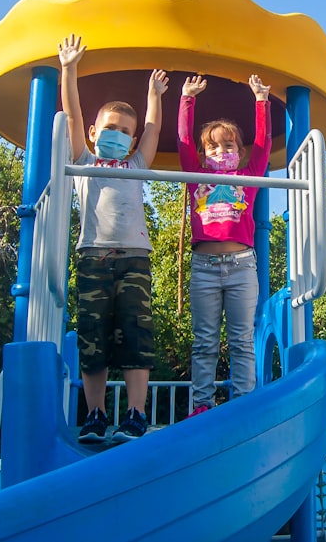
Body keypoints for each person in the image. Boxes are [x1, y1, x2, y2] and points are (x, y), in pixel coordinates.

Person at [57, 34, 169, 443]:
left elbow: (153, 127)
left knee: (136, 333)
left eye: (126, 130)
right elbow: (71, 116)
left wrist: (153, 94)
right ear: (93, 131)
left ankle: (136, 415)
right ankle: (97, 416)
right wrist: (69, 69)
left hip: (135, 257)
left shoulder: (137, 162)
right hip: (94, 256)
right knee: (93, 337)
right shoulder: (84, 160)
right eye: (110, 128)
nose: (118, 134)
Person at [178, 73, 271, 417]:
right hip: (204, 268)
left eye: (228, 145)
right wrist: (187, 99)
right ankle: (202, 404)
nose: (221, 151)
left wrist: (260, 101)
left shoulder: (247, 178)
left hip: (242, 265)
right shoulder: (195, 176)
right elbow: (184, 142)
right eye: (214, 146)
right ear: (204, 154)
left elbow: (262, 146)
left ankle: (244, 403)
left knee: (242, 341)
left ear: (239, 152)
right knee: (204, 342)